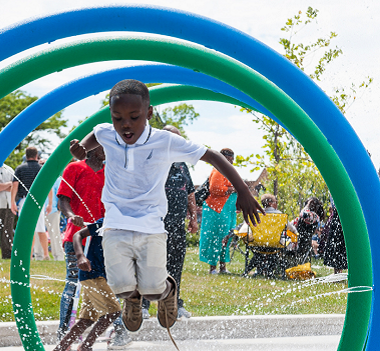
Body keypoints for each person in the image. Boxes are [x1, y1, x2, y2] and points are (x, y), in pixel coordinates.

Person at [69, 79, 263, 333]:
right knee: (122, 286)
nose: (125, 124)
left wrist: (244, 192)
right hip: (115, 224)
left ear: (148, 113)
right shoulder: (108, 132)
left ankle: (168, 290)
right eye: (118, 118)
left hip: (150, 226)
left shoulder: (165, 141)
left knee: (153, 289)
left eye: (134, 117)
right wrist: (82, 148)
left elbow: (213, 156)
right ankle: (132, 298)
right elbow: (95, 134)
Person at [142, 125, 197, 320]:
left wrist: (193, 217)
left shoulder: (182, 163)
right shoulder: (151, 160)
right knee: (151, 265)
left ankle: (175, 304)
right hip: (154, 226)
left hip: (177, 226)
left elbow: (189, 192)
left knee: (175, 266)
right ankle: (143, 304)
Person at [54, 218, 129, 351]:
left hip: (100, 276)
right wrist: (80, 256)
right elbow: (78, 235)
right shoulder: (107, 221)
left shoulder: (128, 225)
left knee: (87, 319)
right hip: (93, 274)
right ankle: (86, 347)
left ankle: (61, 348)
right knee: (113, 312)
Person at [56, 146, 105, 340]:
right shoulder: (75, 168)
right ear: (93, 148)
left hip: (101, 240)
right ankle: (63, 331)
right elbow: (63, 200)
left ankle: (117, 331)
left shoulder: (110, 171)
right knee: (73, 284)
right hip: (76, 236)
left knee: (110, 285)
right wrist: (71, 215)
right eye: (103, 144)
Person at [199, 148, 238, 275]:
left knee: (226, 237)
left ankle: (223, 267)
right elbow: (215, 188)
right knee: (216, 237)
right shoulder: (218, 170)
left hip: (227, 210)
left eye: (232, 159)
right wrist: (232, 189)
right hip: (216, 210)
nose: (231, 161)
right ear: (224, 158)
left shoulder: (228, 171)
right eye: (230, 159)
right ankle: (213, 268)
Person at [10, 146, 50, 260]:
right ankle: (46, 254)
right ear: (37, 155)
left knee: (27, 229)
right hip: (39, 201)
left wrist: (12, 202)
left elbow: (15, 186)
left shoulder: (20, 168)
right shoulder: (41, 168)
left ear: (26, 155)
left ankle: (29, 255)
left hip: (24, 200)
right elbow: (48, 187)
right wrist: (50, 203)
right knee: (41, 228)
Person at [292, 197, 324, 264]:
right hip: (303, 244)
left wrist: (308, 204)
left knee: (301, 264)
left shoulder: (313, 216)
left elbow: (303, 214)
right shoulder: (314, 216)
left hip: (302, 244)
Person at [322, 199, 347, 274]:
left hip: (341, 214)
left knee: (340, 245)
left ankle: (339, 272)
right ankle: (337, 272)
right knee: (336, 245)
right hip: (338, 214)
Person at [45, 176, 64, 261]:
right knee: (39, 234)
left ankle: (59, 256)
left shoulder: (57, 178)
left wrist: (59, 208)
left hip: (53, 210)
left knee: (55, 233)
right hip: (40, 210)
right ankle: (40, 256)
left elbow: (60, 194)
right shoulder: (37, 176)